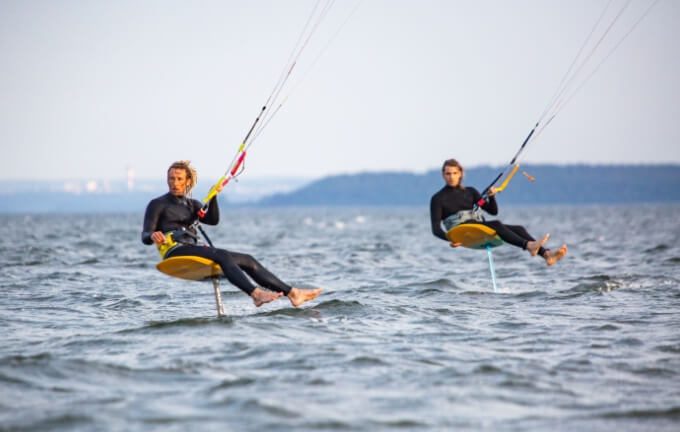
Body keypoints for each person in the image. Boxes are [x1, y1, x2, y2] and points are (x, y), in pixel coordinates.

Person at [142, 160, 322, 307]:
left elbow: (212, 220)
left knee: (248, 260)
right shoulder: (157, 204)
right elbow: (145, 234)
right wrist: (152, 236)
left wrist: (213, 198)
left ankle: (293, 293)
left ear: (188, 181)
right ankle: (256, 294)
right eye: (171, 179)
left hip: (192, 247)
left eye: (179, 179)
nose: (175, 183)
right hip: (174, 250)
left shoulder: (193, 205)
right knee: (222, 255)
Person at [430, 158, 567, 266]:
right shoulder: (438, 199)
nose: (451, 177)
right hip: (463, 232)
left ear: (460, 173)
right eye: (448, 173)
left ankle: (547, 255)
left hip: (478, 228)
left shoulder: (471, 192)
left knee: (518, 228)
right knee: (496, 224)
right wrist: (451, 239)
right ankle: (529, 246)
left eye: (454, 173)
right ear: (443, 175)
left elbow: (492, 211)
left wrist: (491, 196)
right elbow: (436, 229)